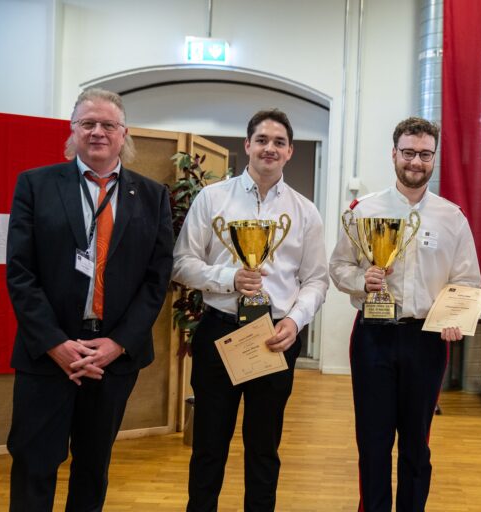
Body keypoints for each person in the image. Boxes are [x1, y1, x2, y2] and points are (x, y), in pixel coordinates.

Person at [5, 88, 174, 511]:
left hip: (111, 358)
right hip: (47, 355)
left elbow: (157, 281)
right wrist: (55, 344)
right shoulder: (35, 185)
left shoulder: (153, 197)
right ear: (73, 130)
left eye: (108, 124)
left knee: (93, 467)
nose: (98, 132)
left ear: (124, 133)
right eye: (88, 123)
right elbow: (21, 273)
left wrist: (117, 344)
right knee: (33, 465)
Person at [172, 108, 329, 511]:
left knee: (264, 448)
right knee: (209, 446)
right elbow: (182, 262)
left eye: (279, 142)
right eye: (262, 140)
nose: (269, 148)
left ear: (290, 151)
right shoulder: (212, 198)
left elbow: (315, 280)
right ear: (247, 146)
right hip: (219, 332)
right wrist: (228, 279)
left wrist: (295, 321)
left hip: (275, 339)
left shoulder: (304, 211)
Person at [329, 116, 481, 511]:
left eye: (424, 154)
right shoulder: (363, 210)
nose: (416, 161)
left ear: (434, 158)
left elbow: (466, 281)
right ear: (393, 154)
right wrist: (365, 280)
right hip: (373, 338)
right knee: (374, 441)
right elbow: (339, 267)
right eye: (408, 153)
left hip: (426, 340)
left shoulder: (452, 217)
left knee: (417, 442)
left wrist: (455, 318)